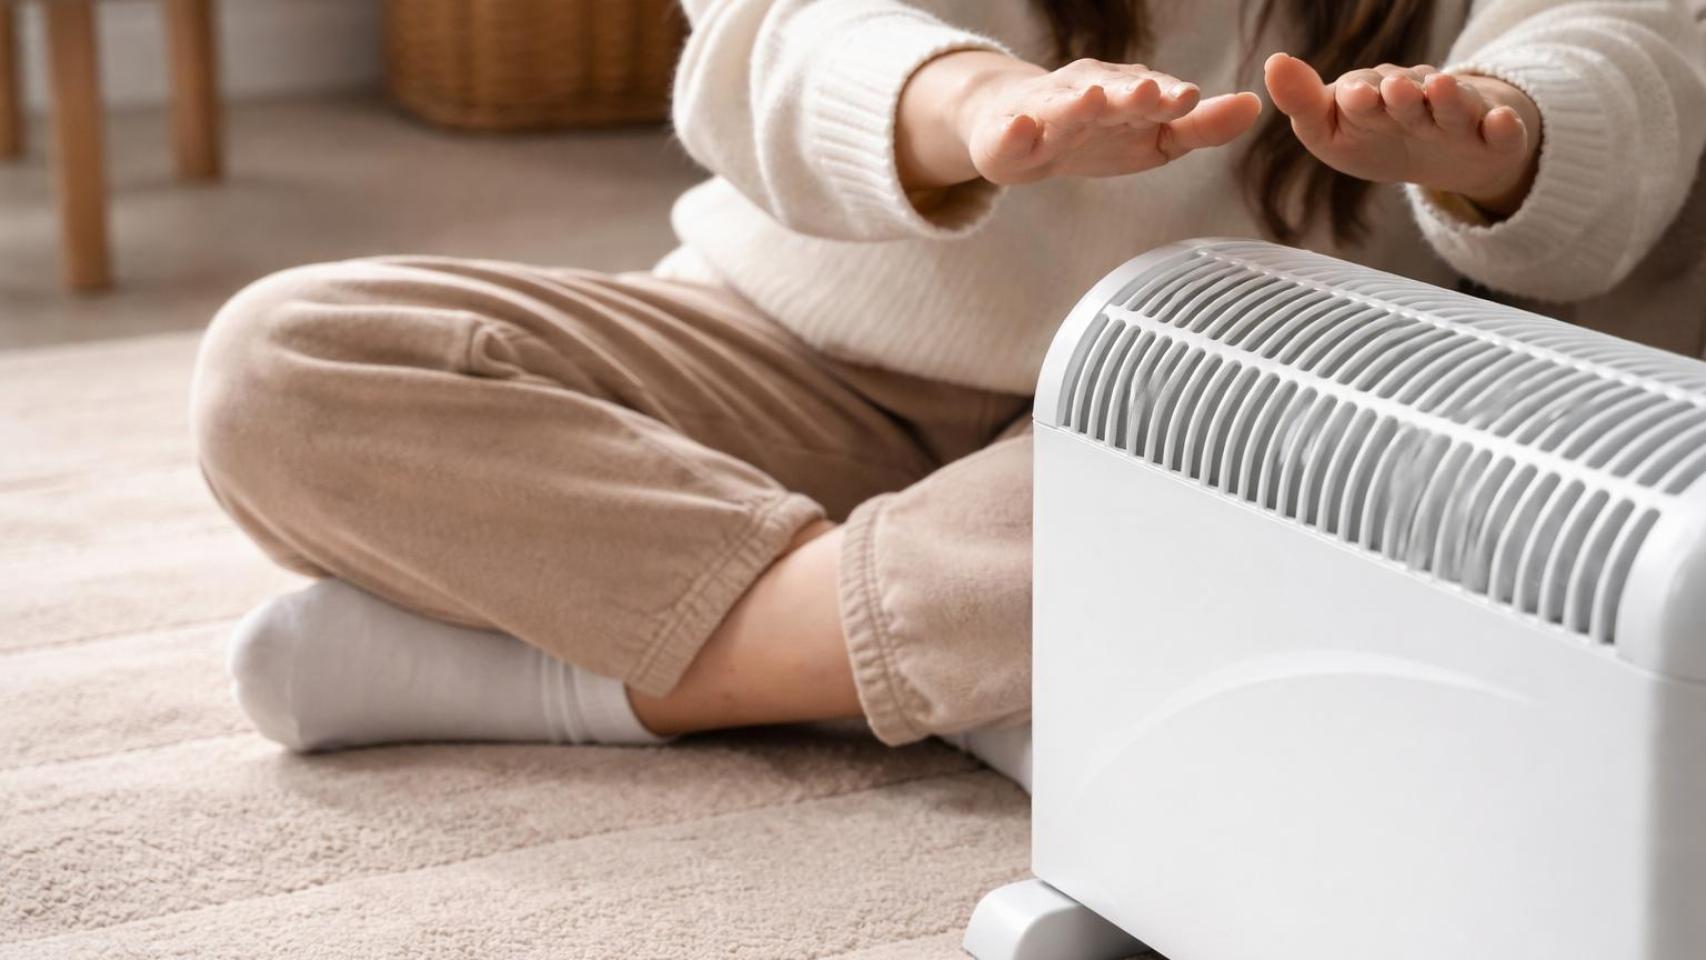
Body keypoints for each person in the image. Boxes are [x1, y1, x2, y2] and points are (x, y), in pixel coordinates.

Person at [190, 0, 1706, 777]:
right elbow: (774, 35)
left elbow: (1627, 53)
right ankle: (967, 679)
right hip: (792, 351)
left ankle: (598, 678)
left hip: (1200, 413)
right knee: (285, 365)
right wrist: (974, 107)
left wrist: (1492, 133)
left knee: (1385, 497)